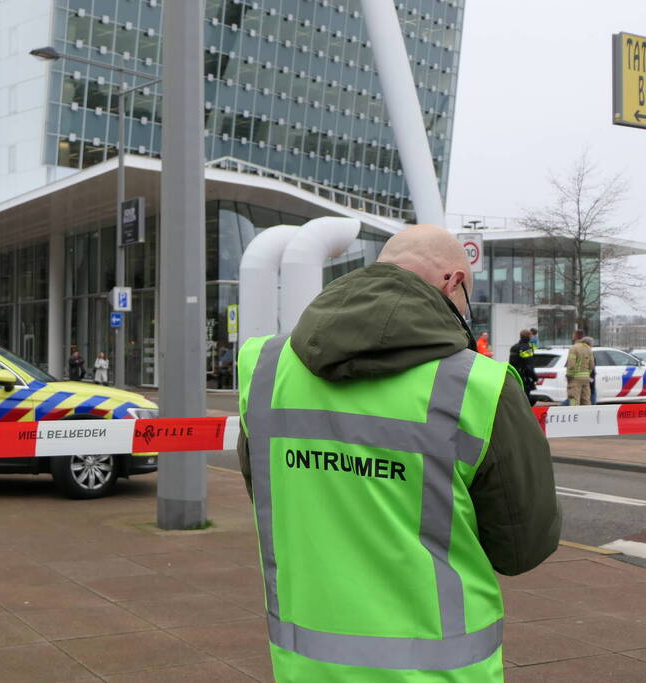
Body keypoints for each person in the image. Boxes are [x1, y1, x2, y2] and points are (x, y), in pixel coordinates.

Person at [237, 224, 559, 682]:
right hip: (442, 672)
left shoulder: (263, 368)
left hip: (306, 668)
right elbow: (522, 548)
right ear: (453, 282)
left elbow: (267, 495)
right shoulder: (479, 386)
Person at [509, 329, 538, 405]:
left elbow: (511, 363)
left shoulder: (514, 347)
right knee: (526, 401)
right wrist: (535, 377)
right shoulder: (527, 348)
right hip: (524, 378)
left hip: (515, 376)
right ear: (529, 337)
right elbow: (528, 365)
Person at [566, 330, 594, 406]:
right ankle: (587, 416)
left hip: (575, 378)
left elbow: (571, 365)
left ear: (575, 336)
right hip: (586, 378)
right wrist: (587, 374)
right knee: (586, 400)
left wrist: (569, 376)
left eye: (573, 335)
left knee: (574, 399)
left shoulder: (574, 348)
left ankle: (574, 414)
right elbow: (592, 365)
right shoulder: (588, 348)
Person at [583, 336, 597, 405]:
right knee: (592, 393)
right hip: (589, 378)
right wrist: (590, 377)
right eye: (592, 343)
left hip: (586, 377)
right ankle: (593, 409)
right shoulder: (589, 352)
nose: (592, 345)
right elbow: (591, 366)